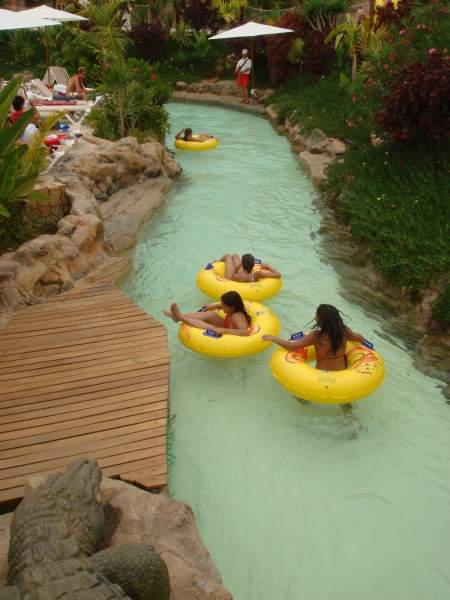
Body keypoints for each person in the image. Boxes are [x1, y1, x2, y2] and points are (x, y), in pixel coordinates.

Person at [262, 304, 366, 371]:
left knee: (304, 397)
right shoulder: (344, 332)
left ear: (320, 319)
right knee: (346, 400)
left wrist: (274, 338)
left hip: (320, 374)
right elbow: (360, 338)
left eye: (316, 314)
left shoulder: (315, 336)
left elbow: (292, 346)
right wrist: (351, 333)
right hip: (342, 373)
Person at [164, 290, 251, 336]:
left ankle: (181, 317)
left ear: (232, 307)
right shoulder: (233, 308)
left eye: (224, 306)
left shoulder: (237, 316)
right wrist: (213, 306)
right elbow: (223, 304)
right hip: (228, 325)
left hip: (232, 336)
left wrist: (225, 330)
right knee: (211, 314)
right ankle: (177, 316)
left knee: (211, 328)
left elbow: (245, 332)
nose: (222, 306)